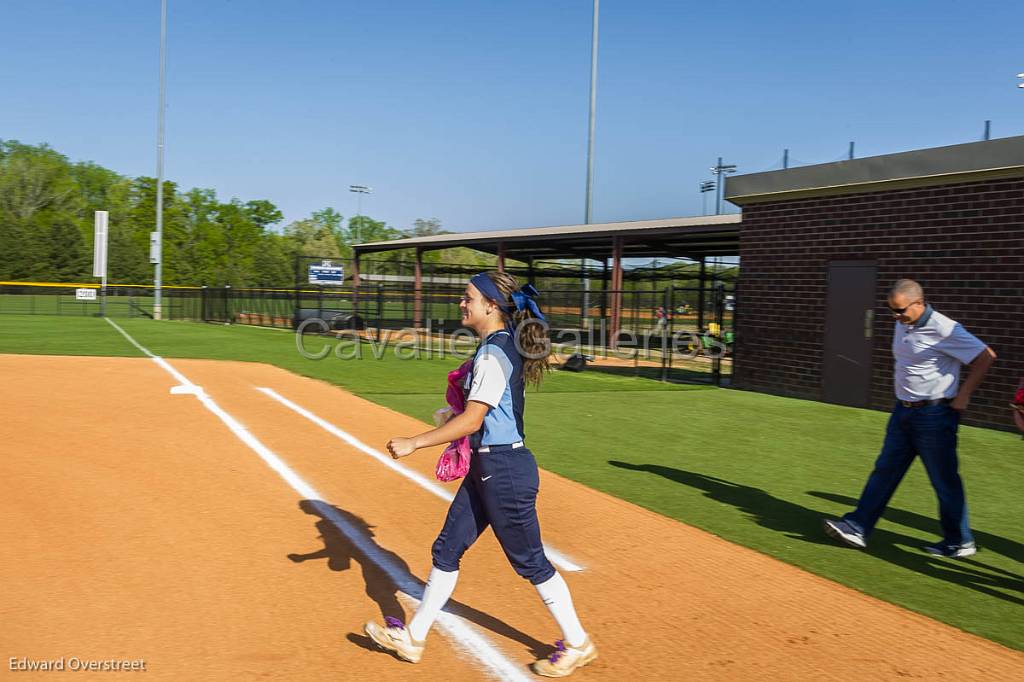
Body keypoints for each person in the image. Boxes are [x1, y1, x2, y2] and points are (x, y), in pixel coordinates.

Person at [363, 271, 597, 677]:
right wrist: (451, 417)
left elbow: (474, 421)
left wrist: (416, 441)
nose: (461, 303)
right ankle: (414, 638)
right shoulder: (495, 346)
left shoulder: (493, 352)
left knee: (530, 562)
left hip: (504, 470)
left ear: (491, 305)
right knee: (447, 549)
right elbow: (483, 414)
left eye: (467, 297)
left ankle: (578, 642)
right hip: (488, 467)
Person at [823, 279, 996, 558]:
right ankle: (858, 526)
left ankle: (960, 541)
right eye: (892, 310)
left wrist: (964, 395)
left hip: (935, 416)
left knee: (943, 480)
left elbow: (985, 356)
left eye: (901, 310)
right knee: (885, 471)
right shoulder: (904, 322)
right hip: (903, 412)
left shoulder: (944, 328)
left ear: (919, 303)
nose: (896, 316)